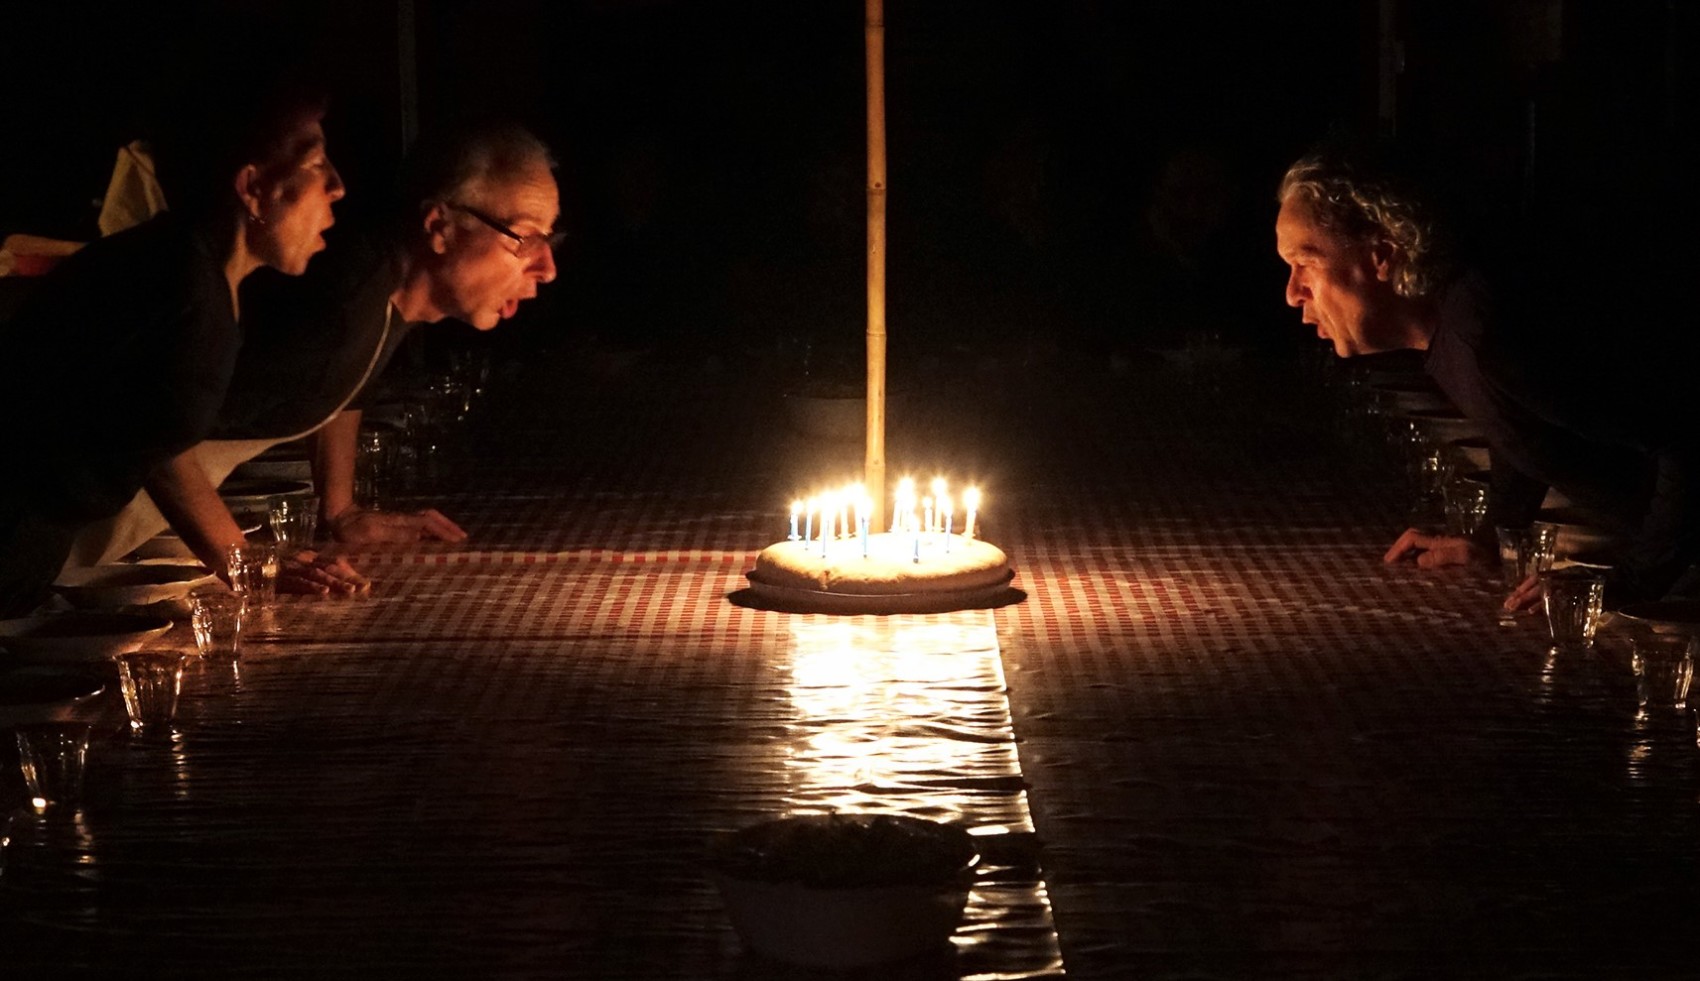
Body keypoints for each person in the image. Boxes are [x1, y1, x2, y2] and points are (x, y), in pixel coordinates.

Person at [71, 122, 561, 583]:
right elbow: (153, 423)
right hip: (67, 512)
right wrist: (244, 566)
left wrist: (341, 510)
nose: (548, 267)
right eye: (527, 237)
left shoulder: (384, 294)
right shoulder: (339, 309)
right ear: (440, 226)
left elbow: (346, 386)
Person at [1273, 138, 1697, 609]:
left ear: (1381, 254)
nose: (1293, 293)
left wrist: (1635, 582)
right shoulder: (1457, 325)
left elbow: (1683, 433)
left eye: (1305, 263)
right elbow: (1519, 427)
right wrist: (1494, 536)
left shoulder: (1488, 326)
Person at [0, 81, 346, 616]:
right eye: (317, 164)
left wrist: (242, 561)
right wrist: (243, 562)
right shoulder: (179, 289)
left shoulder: (189, 271)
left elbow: (157, 439)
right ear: (252, 188)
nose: (338, 187)